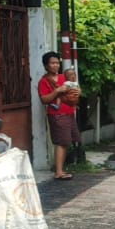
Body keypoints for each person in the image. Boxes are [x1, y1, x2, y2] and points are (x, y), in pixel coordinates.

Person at [37, 51, 80, 180]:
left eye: (57, 63)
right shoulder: (43, 81)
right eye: (52, 63)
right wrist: (57, 91)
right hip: (56, 114)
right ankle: (59, 171)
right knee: (61, 142)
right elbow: (44, 99)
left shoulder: (63, 77)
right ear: (46, 65)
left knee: (66, 142)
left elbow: (75, 87)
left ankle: (60, 169)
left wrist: (77, 92)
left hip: (69, 113)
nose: (55, 65)